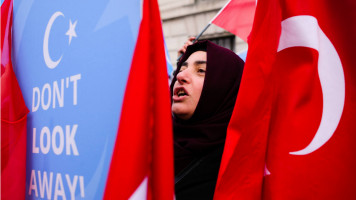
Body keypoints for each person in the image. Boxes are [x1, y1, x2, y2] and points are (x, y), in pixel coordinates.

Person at [170, 40, 244, 199]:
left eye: (201, 70)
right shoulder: (149, 148)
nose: (180, 75)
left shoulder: (242, 169)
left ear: (226, 88)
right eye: (182, 68)